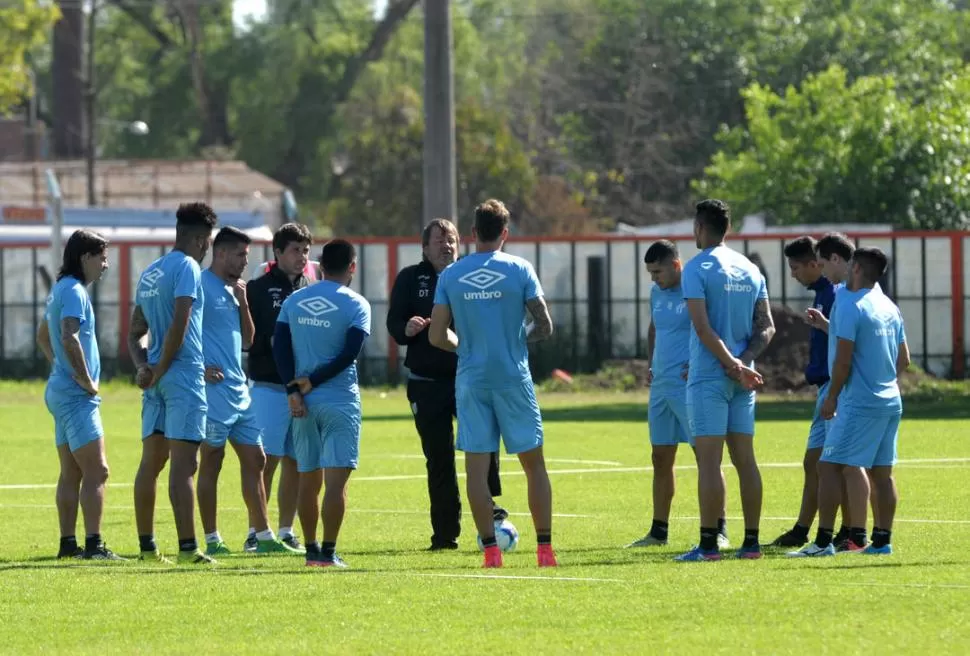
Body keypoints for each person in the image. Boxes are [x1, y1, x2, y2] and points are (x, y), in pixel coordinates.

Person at [429, 199, 558, 569]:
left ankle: (490, 552)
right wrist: (515, 340)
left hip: (472, 379)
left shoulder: (451, 275)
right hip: (513, 376)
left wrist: (464, 345)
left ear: (472, 233)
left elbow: (438, 336)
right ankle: (545, 551)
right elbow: (545, 325)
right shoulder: (519, 268)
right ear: (505, 233)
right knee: (533, 464)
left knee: (476, 468)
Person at [387, 218, 508, 551]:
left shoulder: (471, 275)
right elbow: (393, 324)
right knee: (438, 459)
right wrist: (407, 327)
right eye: (438, 240)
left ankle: (492, 515)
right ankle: (444, 535)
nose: (446, 245)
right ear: (424, 247)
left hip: (469, 379)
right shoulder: (411, 279)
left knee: (483, 448)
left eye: (451, 239)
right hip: (427, 384)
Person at [788, 247, 908, 557]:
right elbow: (904, 359)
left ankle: (823, 542)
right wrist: (881, 381)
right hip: (890, 400)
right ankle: (882, 542)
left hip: (858, 402)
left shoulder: (852, 306)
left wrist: (832, 397)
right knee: (882, 473)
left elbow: (842, 362)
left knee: (828, 467)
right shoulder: (888, 306)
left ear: (856, 269)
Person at [675, 199, 774, 562]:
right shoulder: (750, 268)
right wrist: (744, 364)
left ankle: (707, 546)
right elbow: (767, 326)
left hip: (709, 377)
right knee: (745, 461)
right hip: (742, 380)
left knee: (710, 463)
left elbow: (702, 328)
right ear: (727, 228)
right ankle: (751, 543)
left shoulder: (697, 267)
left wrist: (730, 364)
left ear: (700, 228)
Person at [196, 227, 301, 556]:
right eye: (241, 254)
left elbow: (248, 341)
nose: (246, 261)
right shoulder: (199, 285)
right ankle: (213, 540)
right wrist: (198, 368)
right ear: (222, 253)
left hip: (238, 389)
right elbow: (181, 330)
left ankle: (264, 535)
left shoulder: (234, 291)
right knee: (212, 460)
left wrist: (242, 303)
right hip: (211, 391)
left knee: (256, 459)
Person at [128, 202, 218, 565]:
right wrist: (161, 368)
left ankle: (147, 549)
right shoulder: (188, 268)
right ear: (199, 240)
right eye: (208, 241)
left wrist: (143, 369)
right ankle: (187, 549)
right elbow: (180, 324)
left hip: (156, 380)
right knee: (185, 465)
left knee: (151, 463)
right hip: (180, 375)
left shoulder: (150, 271)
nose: (207, 248)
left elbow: (135, 332)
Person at [273, 239, 371, 568]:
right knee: (336, 484)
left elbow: (281, 349)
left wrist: (293, 390)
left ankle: (312, 550)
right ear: (352, 267)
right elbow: (348, 354)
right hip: (340, 401)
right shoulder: (357, 304)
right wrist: (315, 379)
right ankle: (328, 553)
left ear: (320, 265)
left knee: (307, 478)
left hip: (302, 403)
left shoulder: (295, 300)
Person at [626, 240, 730, 550]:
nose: (653, 278)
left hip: (691, 386)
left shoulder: (696, 288)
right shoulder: (656, 292)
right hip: (661, 387)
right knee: (660, 457)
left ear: (675, 265)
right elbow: (654, 329)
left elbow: (711, 329)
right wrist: (651, 364)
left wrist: (700, 364)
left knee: (706, 458)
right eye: (649, 272)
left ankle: (719, 529)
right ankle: (659, 531)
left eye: (657, 271)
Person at [37, 229, 122, 561]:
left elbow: (43, 336)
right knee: (97, 471)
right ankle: (94, 545)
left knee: (72, 472)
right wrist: (86, 380)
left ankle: (68, 545)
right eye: (101, 257)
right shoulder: (74, 291)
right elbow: (67, 336)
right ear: (85, 258)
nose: (105, 264)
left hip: (59, 391)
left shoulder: (60, 289)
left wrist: (60, 368)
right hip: (74, 395)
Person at [803, 232, 879, 552]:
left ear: (837, 260)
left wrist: (833, 394)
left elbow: (846, 354)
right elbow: (900, 356)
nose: (821, 271)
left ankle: (838, 538)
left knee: (839, 466)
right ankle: (863, 537)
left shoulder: (848, 297)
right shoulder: (877, 300)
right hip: (870, 392)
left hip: (848, 392)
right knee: (851, 466)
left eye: (822, 263)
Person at [245, 223, 316, 553]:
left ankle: (286, 530)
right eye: (295, 250)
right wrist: (273, 342)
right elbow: (252, 339)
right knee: (265, 460)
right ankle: (255, 532)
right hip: (270, 387)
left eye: (305, 250)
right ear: (277, 252)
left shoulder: (310, 287)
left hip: (302, 389)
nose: (302, 257)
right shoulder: (258, 289)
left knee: (295, 461)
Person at [770, 236, 837, 548]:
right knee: (817, 463)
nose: (793, 274)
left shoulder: (834, 293)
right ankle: (805, 529)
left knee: (830, 463)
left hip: (835, 388)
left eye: (796, 267)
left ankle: (847, 531)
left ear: (815, 264)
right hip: (825, 387)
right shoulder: (822, 294)